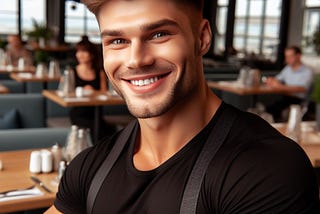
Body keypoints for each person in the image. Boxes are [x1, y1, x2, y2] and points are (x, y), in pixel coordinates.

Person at [46, 1, 320, 213]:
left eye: (159, 34)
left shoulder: (267, 170)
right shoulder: (88, 168)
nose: (135, 60)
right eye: (117, 41)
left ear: (201, 38)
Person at [69, 36, 116, 141]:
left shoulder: (99, 72)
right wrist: (81, 91)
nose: (79, 55)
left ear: (92, 54)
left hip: (96, 113)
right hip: (79, 114)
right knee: (96, 131)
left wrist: (93, 91)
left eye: (83, 51)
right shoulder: (71, 72)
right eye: (78, 51)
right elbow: (65, 93)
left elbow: (105, 93)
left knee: (108, 132)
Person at [265, 46, 314, 121]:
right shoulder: (288, 68)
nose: (287, 59)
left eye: (290, 56)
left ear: (298, 56)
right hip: (285, 97)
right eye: (286, 56)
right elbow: (276, 79)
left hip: (298, 101)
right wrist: (272, 80)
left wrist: (280, 87)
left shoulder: (307, 71)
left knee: (274, 110)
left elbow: (302, 89)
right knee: (268, 108)